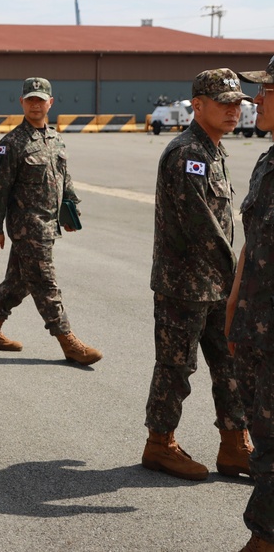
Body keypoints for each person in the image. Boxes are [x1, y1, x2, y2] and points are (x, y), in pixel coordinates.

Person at [141, 68, 252, 482]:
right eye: (223, 103)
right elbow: (201, 226)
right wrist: (241, 276)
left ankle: (234, 444)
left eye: (237, 103)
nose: (232, 110)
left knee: (230, 366)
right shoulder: (188, 153)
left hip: (216, 286)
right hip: (184, 287)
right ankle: (159, 445)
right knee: (175, 367)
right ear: (199, 106)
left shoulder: (213, 150)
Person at [0, 77, 102, 365]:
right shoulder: (12, 143)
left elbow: (63, 178)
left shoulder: (56, 139)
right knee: (45, 282)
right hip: (27, 226)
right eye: (30, 99)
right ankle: (68, 341)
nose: (35, 104)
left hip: (49, 224)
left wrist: (71, 210)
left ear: (50, 103)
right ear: (22, 103)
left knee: (19, 281)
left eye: (40, 99)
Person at [227, 57, 274, 551]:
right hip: (257, 327)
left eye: (266, 91)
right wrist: (235, 307)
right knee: (263, 440)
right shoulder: (267, 160)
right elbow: (253, 242)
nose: (256, 99)